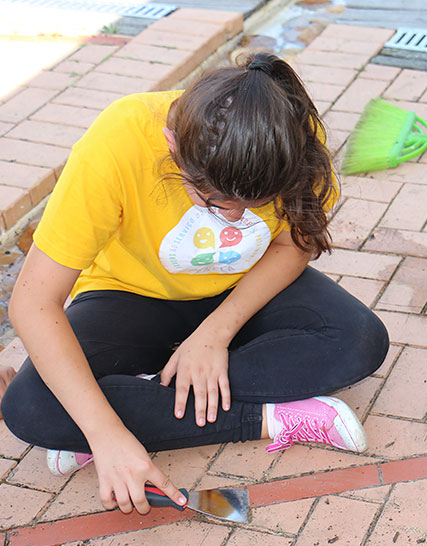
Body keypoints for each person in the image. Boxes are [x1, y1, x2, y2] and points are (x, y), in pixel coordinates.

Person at [0, 52, 389, 515]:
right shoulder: (118, 141)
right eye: (214, 200)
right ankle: (279, 418)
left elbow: (293, 245)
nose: (234, 218)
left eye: (253, 203)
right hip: (130, 297)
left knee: (359, 341)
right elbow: (32, 304)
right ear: (171, 145)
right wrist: (108, 437)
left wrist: (214, 333)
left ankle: (134, 399)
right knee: (29, 407)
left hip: (242, 295)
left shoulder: (291, 136)